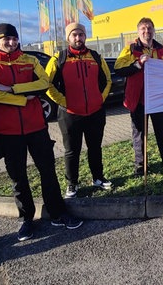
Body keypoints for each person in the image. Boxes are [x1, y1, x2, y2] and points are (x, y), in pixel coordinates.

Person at [0, 23, 82, 242]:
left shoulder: (30, 60)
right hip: (7, 131)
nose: (11, 43)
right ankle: (25, 219)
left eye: (14, 39)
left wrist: (12, 89)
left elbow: (43, 83)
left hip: (36, 128)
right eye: (6, 39)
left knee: (48, 172)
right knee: (18, 177)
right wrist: (23, 98)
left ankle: (57, 213)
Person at [45, 22, 113, 198]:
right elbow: (47, 84)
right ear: (68, 38)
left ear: (85, 36)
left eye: (81, 35)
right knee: (71, 151)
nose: (78, 38)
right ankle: (72, 184)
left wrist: (100, 99)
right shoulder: (58, 59)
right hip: (70, 114)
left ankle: (97, 178)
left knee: (95, 147)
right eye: (74, 35)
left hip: (95, 112)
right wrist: (64, 102)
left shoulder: (96, 57)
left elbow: (107, 81)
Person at [114, 17, 163, 176]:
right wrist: (138, 64)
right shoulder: (130, 49)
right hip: (138, 100)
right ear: (138, 31)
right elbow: (118, 69)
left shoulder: (162, 49)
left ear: (153, 30)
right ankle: (140, 167)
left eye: (149, 28)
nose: (146, 31)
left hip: (158, 98)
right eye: (143, 28)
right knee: (139, 135)